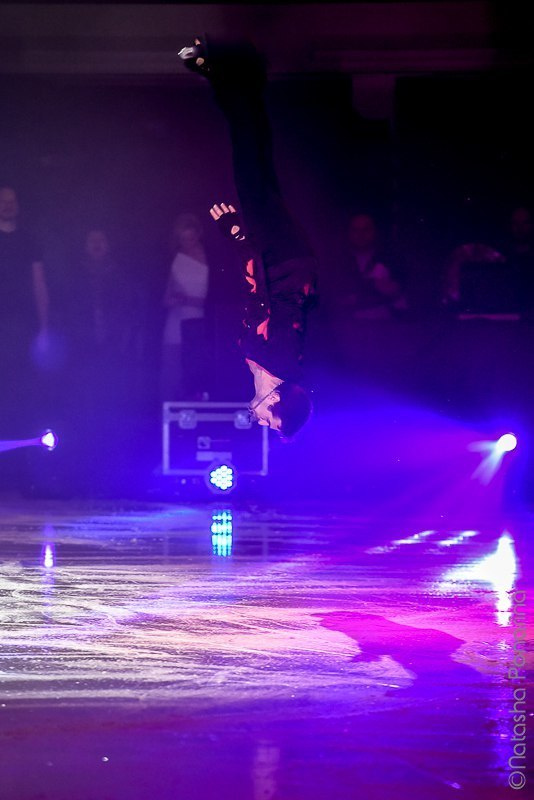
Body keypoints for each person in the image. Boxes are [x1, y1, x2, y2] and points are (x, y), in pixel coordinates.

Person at [178, 36, 317, 439]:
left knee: (255, 157)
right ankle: (222, 68)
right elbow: (259, 290)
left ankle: (234, 74)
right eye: (272, 423)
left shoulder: (273, 364)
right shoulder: (271, 357)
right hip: (281, 257)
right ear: (275, 402)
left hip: (290, 260)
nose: (262, 423)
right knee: (248, 158)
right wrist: (237, 235)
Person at [0, 185, 50, 488]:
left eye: (11, 201)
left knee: (21, 394)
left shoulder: (28, 239)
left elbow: (39, 282)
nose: (7, 205)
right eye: (2, 201)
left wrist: (44, 328)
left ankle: (22, 471)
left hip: (21, 327)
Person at [161, 213, 210, 400]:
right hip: (176, 321)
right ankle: (169, 410)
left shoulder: (209, 258)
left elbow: (213, 298)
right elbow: (166, 298)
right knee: (172, 369)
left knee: (194, 369)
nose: (187, 242)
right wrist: (177, 299)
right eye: (183, 238)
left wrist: (189, 300)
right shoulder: (177, 259)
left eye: (191, 238)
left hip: (198, 324)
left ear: (198, 235)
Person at [338, 212, 407, 320]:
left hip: (387, 326)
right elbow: (340, 297)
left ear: (375, 231)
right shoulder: (339, 262)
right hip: (348, 326)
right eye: (356, 230)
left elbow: (398, 291)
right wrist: (373, 285)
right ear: (349, 232)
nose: (361, 234)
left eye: (366, 229)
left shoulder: (391, 259)